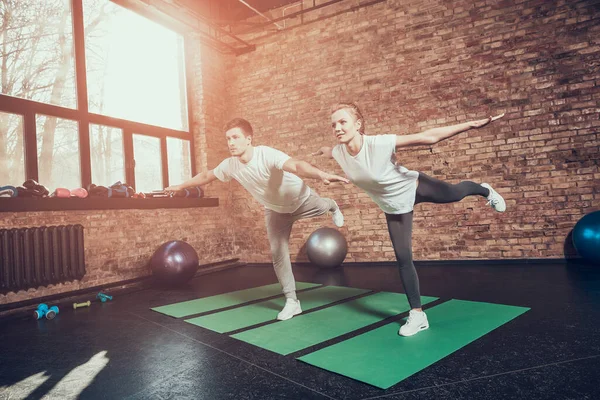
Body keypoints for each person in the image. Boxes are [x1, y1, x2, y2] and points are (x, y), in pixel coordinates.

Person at [312, 102, 506, 337]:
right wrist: (321, 152)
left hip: (416, 187)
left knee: (455, 193)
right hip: (395, 207)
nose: (337, 128)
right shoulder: (338, 152)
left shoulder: (378, 143)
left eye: (343, 122)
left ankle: (485, 190)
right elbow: (328, 150)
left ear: (358, 124)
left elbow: (428, 137)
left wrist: (470, 125)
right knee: (403, 258)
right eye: (334, 124)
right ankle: (418, 315)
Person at [166, 118, 348, 321]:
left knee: (324, 206)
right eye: (228, 138)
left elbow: (296, 166)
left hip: (302, 200)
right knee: (278, 253)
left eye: (235, 137)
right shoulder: (230, 165)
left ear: (248, 139)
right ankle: (292, 302)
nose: (231, 143)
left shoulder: (266, 154)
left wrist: (320, 174)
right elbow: (207, 176)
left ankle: (332, 205)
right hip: (276, 210)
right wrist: (181, 186)